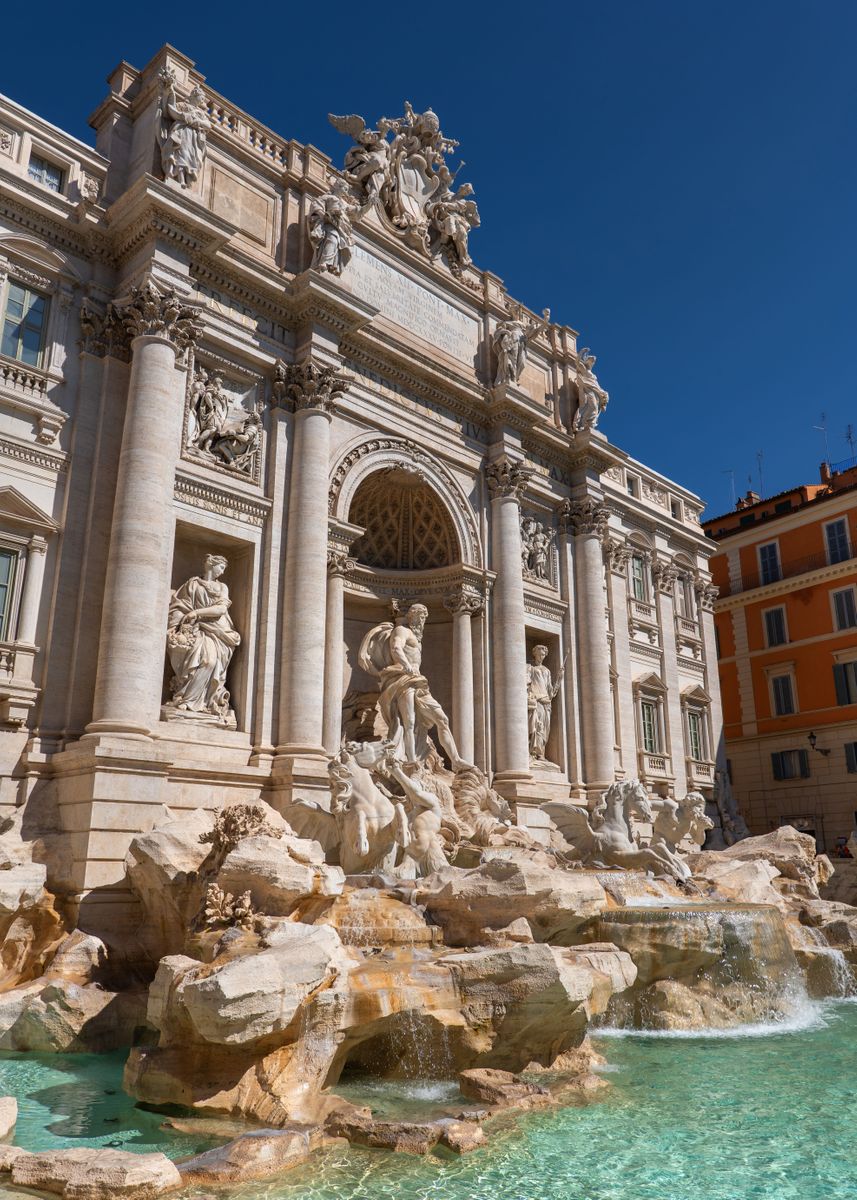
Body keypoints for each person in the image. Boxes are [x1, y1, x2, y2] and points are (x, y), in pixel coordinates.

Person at [359, 603, 471, 771]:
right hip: (403, 679)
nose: (421, 622)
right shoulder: (402, 630)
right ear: (410, 617)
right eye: (419, 617)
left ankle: (455, 760)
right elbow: (396, 647)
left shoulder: (417, 637)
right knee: (409, 721)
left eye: (423, 618)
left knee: (442, 719)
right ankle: (412, 762)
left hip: (418, 681)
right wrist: (405, 665)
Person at [165, 555, 241, 723]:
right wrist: (184, 619)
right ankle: (186, 699)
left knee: (210, 662)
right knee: (196, 661)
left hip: (218, 630)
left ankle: (201, 702)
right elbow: (179, 605)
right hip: (196, 628)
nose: (222, 572)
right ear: (211, 565)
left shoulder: (222, 587)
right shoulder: (192, 584)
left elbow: (221, 609)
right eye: (220, 567)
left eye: (224, 569)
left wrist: (197, 613)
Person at [158, 70, 210, 189]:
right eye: (201, 98)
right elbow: (171, 110)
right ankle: (180, 179)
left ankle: (187, 180)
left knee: (192, 158)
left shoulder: (200, 113)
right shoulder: (183, 106)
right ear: (194, 96)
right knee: (181, 156)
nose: (202, 101)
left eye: (202, 100)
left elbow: (208, 125)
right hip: (182, 132)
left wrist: (195, 121)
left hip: (194, 139)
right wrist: (169, 92)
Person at [527, 644, 562, 760]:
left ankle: (541, 753)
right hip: (536, 700)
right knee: (537, 726)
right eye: (539, 654)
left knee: (545, 729)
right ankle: (534, 752)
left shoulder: (547, 670)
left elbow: (551, 691)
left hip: (546, 702)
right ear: (534, 653)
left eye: (543, 655)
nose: (541, 657)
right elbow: (527, 684)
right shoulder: (530, 668)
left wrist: (559, 678)